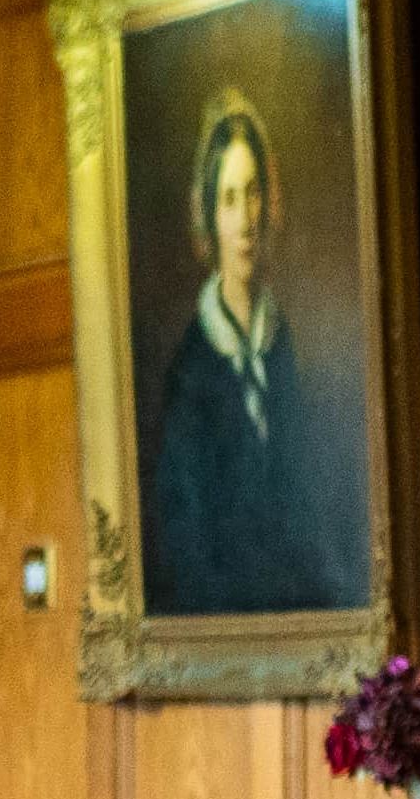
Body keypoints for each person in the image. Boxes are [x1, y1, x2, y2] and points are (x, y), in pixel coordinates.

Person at [138, 86, 372, 620]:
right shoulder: (190, 373)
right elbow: (189, 553)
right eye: (228, 199)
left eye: (252, 194)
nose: (244, 219)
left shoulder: (284, 350)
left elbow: (310, 515)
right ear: (209, 216)